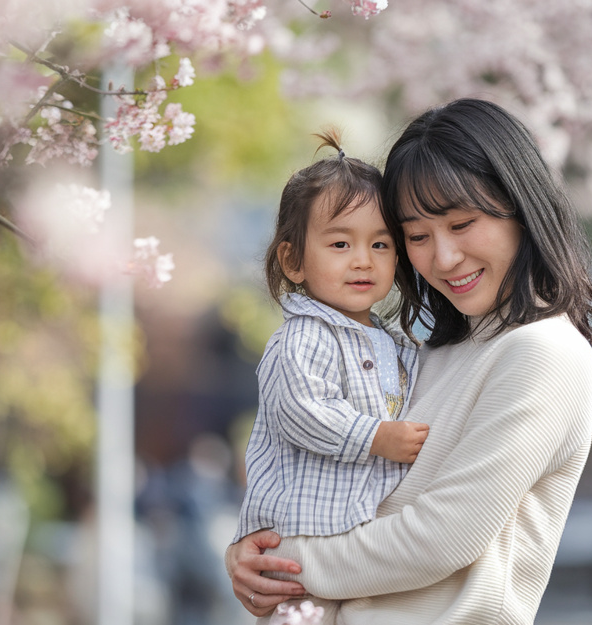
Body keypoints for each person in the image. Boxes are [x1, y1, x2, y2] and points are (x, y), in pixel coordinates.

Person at [225, 98, 592, 625]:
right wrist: (250, 549)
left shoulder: (546, 353)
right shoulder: (429, 354)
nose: (443, 258)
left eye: (463, 223)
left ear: (522, 208)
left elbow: (442, 534)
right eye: (417, 236)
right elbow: (346, 485)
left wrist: (285, 562)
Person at [233, 129, 432, 621]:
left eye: (381, 245)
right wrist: (375, 437)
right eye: (341, 243)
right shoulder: (304, 338)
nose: (363, 260)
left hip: (355, 546)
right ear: (293, 260)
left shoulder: (396, 342)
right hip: (298, 548)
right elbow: (302, 411)